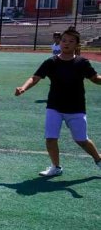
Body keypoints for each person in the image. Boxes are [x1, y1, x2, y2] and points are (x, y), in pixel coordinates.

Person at [14, 28, 101, 176]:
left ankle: (98, 160)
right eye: (64, 40)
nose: (66, 43)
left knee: (81, 140)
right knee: (50, 138)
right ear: (60, 42)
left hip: (76, 108)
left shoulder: (82, 63)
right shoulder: (51, 62)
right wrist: (23, 87)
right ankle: (56, 167)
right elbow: (35, 78)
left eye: (71, 41)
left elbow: (95, 78)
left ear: (77, 45)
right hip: (54, 106)